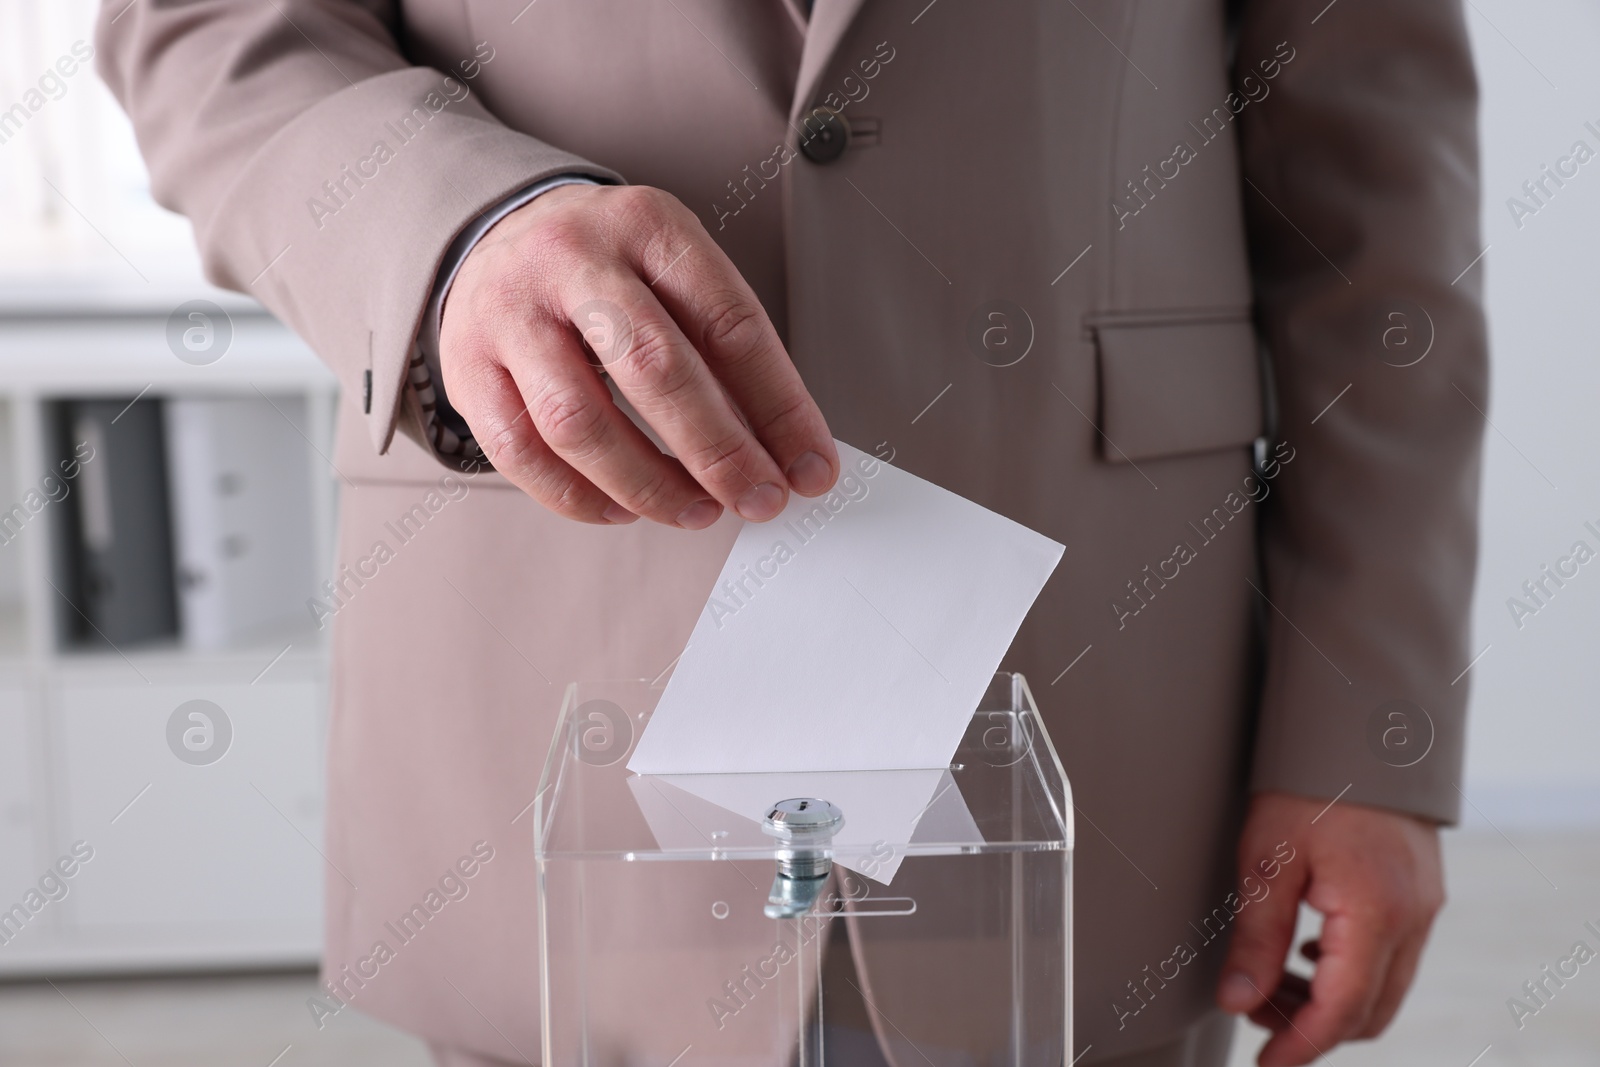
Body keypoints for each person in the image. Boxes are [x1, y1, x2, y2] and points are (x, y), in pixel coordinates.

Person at [97, 1, 1486, 1065]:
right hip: (552, 672)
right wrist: (461, 230)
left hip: (1093, 692)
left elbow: (1374, 210)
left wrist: (1366, 726)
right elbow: (215, 29)